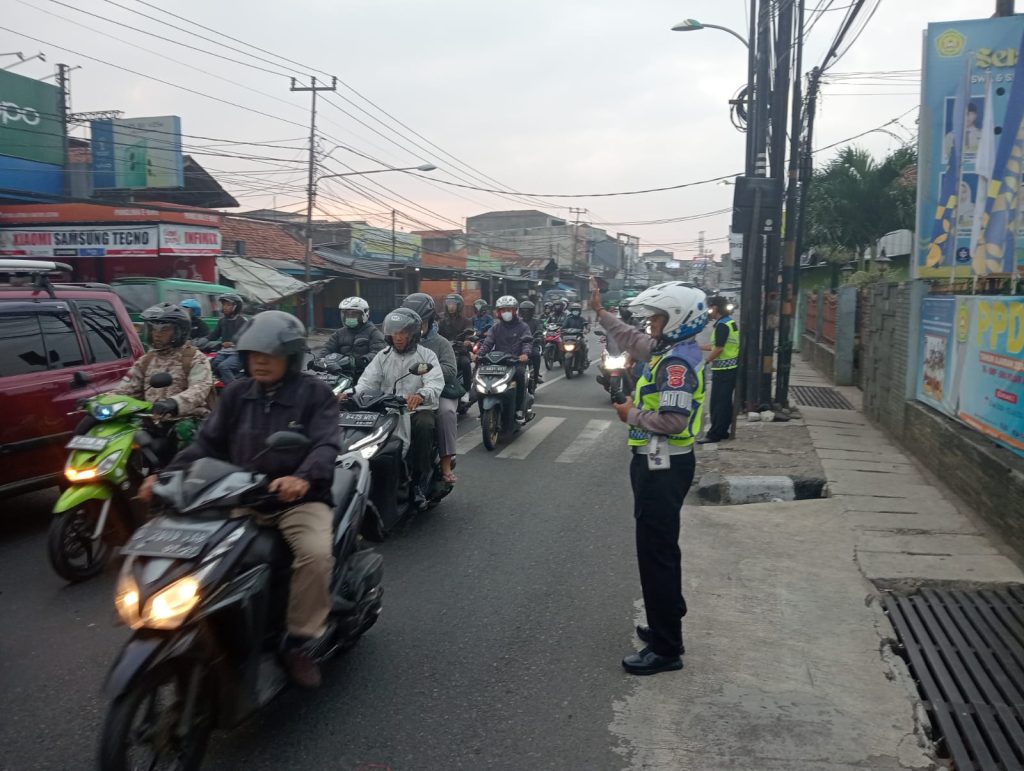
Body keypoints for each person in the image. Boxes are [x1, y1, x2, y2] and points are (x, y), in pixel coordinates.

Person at [143, 311, 341, 689]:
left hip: (297, 501)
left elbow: (327, 444)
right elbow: (206, 444)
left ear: (293, 356)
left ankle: (298, 641)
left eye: (269, 354)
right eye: (253, 354)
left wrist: (301, 478)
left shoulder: (314, 394)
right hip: (238, 494)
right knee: (200, 554)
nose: (259, 361)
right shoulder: (235, 394)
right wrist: (164, 477)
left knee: (315, 555)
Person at [591, 278, 708, 676]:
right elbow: (631, 338)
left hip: (665, 466)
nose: (650, 325)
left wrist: (631, 416)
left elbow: (674, 421)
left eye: (657, 318)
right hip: (659, 465)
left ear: (675, 319)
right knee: (661, 548)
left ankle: (666, 647)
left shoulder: (676, 365)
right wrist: (601, 312)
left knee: (655, 553)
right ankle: (665, 618)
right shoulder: (671, 349)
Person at [354, 308, 444, 508]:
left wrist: (420, 395)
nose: (399, 338)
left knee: (424, 425)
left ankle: (420, 481)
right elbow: (367, 382)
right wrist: (353, 396)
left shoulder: (426, 356)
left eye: (403, 333)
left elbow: (435, 382)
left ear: (413, 334)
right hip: (387, 411)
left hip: (416, 410)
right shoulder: (382, 356)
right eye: (395, 333)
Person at [105, 302, 213, 447]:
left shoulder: (194, 357)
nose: (157, 333)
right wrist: (102, 401)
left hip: (184, 420)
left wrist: (174, 403)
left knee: (185, 433)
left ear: (178, 331)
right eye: (153, 328)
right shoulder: (146, 360)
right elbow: (127, 389)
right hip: (150, 420)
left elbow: (200, 388)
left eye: (164, 329)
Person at [401, 293, 461, 484]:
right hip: (406, 393)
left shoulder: (441, 343)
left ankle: (445, 463)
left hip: (440, 391)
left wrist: (424, 371)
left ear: (428, 320)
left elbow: (451, 370)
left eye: (419, 323)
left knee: (446, 413)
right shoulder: (399, 342)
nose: (414, 329)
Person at [476, 295, 533, 423]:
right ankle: (482, 411)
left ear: (515, 311)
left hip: (515, 362)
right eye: (503, 310)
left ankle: (519, 409)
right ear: (499, 312)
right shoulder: (495, 328)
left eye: (509, 309)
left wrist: (525, 354)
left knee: (519, 375)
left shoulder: (523, 326)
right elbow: (487, 343)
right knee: (479, 378)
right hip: (498, 362)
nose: (506, 312)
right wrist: (479, 355)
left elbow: (527, 342)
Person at [700, 296, 740, 444]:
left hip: (724, 370)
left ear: (715, 308)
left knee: (718, 403)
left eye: (709, 308)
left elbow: (719, 348)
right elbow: (715, 346)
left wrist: (706, 361)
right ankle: (722, 430)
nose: (708, 312)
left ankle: (715, 434)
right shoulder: (729, 323)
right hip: (729, 369)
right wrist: (697, 346)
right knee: (723, 402)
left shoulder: (722, 326)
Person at [317, 297, 386, 378]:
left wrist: (361, 361)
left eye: (353, 314)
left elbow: (378, 353)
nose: (349, 317)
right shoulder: (339, 333)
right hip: (340, 374)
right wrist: (318, 360)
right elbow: (328, 348)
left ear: (364, 314)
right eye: (346, 314)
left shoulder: (373, 333)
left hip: (364, 376)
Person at [438, 293, 474, 399]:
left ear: (459, 306)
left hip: (460, 351)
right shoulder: (442, 321)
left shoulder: (466, 321)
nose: (451, 306)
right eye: (449, 304)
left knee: (466, 364)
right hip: (445, 351)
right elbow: (436, 333)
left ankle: (467, 390)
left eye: (454, 304)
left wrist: (467, 340)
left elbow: (470, 332)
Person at [208, 293, 248, 385]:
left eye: (228, 305)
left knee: (224, 367)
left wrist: (232, 344)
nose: (224, 307)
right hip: (223, 353)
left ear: (236, 307)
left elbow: (248, 339)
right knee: (210, 366)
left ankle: (234, 391)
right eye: (223, 304)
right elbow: (213, 335)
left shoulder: (242, 321)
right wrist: (199, 341)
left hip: (238, 354)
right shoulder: (222, 321)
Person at [519, 300, 544, 385]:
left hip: (532, 345)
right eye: (523, 311)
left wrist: (539, 336)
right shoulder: (518, 322)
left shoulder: (536, 321)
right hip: (518, 346)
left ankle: (536, 376)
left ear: (532, 311)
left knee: (536, 355)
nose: (526, 313)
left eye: (528, 311)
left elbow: (540, 330)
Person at [561, 301, 591, 368]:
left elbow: (587, 325)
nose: (575, 311)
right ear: (571, 311)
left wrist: (587, 329)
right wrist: (561, 330)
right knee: (561, 346)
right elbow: (563, 326)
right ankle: (562, 360)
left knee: (583, 346)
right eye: (574, 310)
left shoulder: (582, 319)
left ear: (579, 311)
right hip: (568, 337)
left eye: (577, 310)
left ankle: (584, 361)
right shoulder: (568, 319)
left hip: (579, 337)